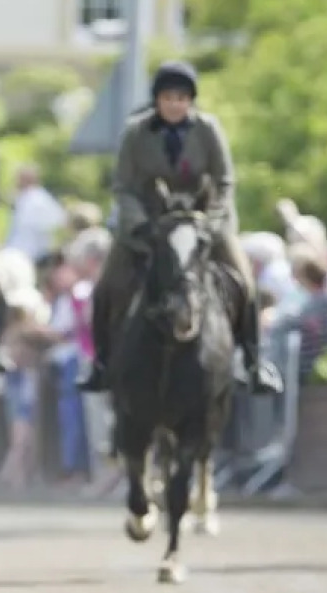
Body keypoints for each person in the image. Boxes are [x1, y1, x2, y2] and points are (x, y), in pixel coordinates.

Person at [78, 61, 283, 395]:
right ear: (157, 100)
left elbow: (225, 181)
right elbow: (124, 187)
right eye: (169, 97)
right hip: (148, 226)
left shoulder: (208, 129)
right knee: (106, 285)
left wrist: (213, 224)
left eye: (182, 97)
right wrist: (140, 225)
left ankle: (255, 363)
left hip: (203, 224)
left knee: (245, 282)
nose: (175, 104)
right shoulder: (135, 132)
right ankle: (100, 364)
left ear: (191, 100)